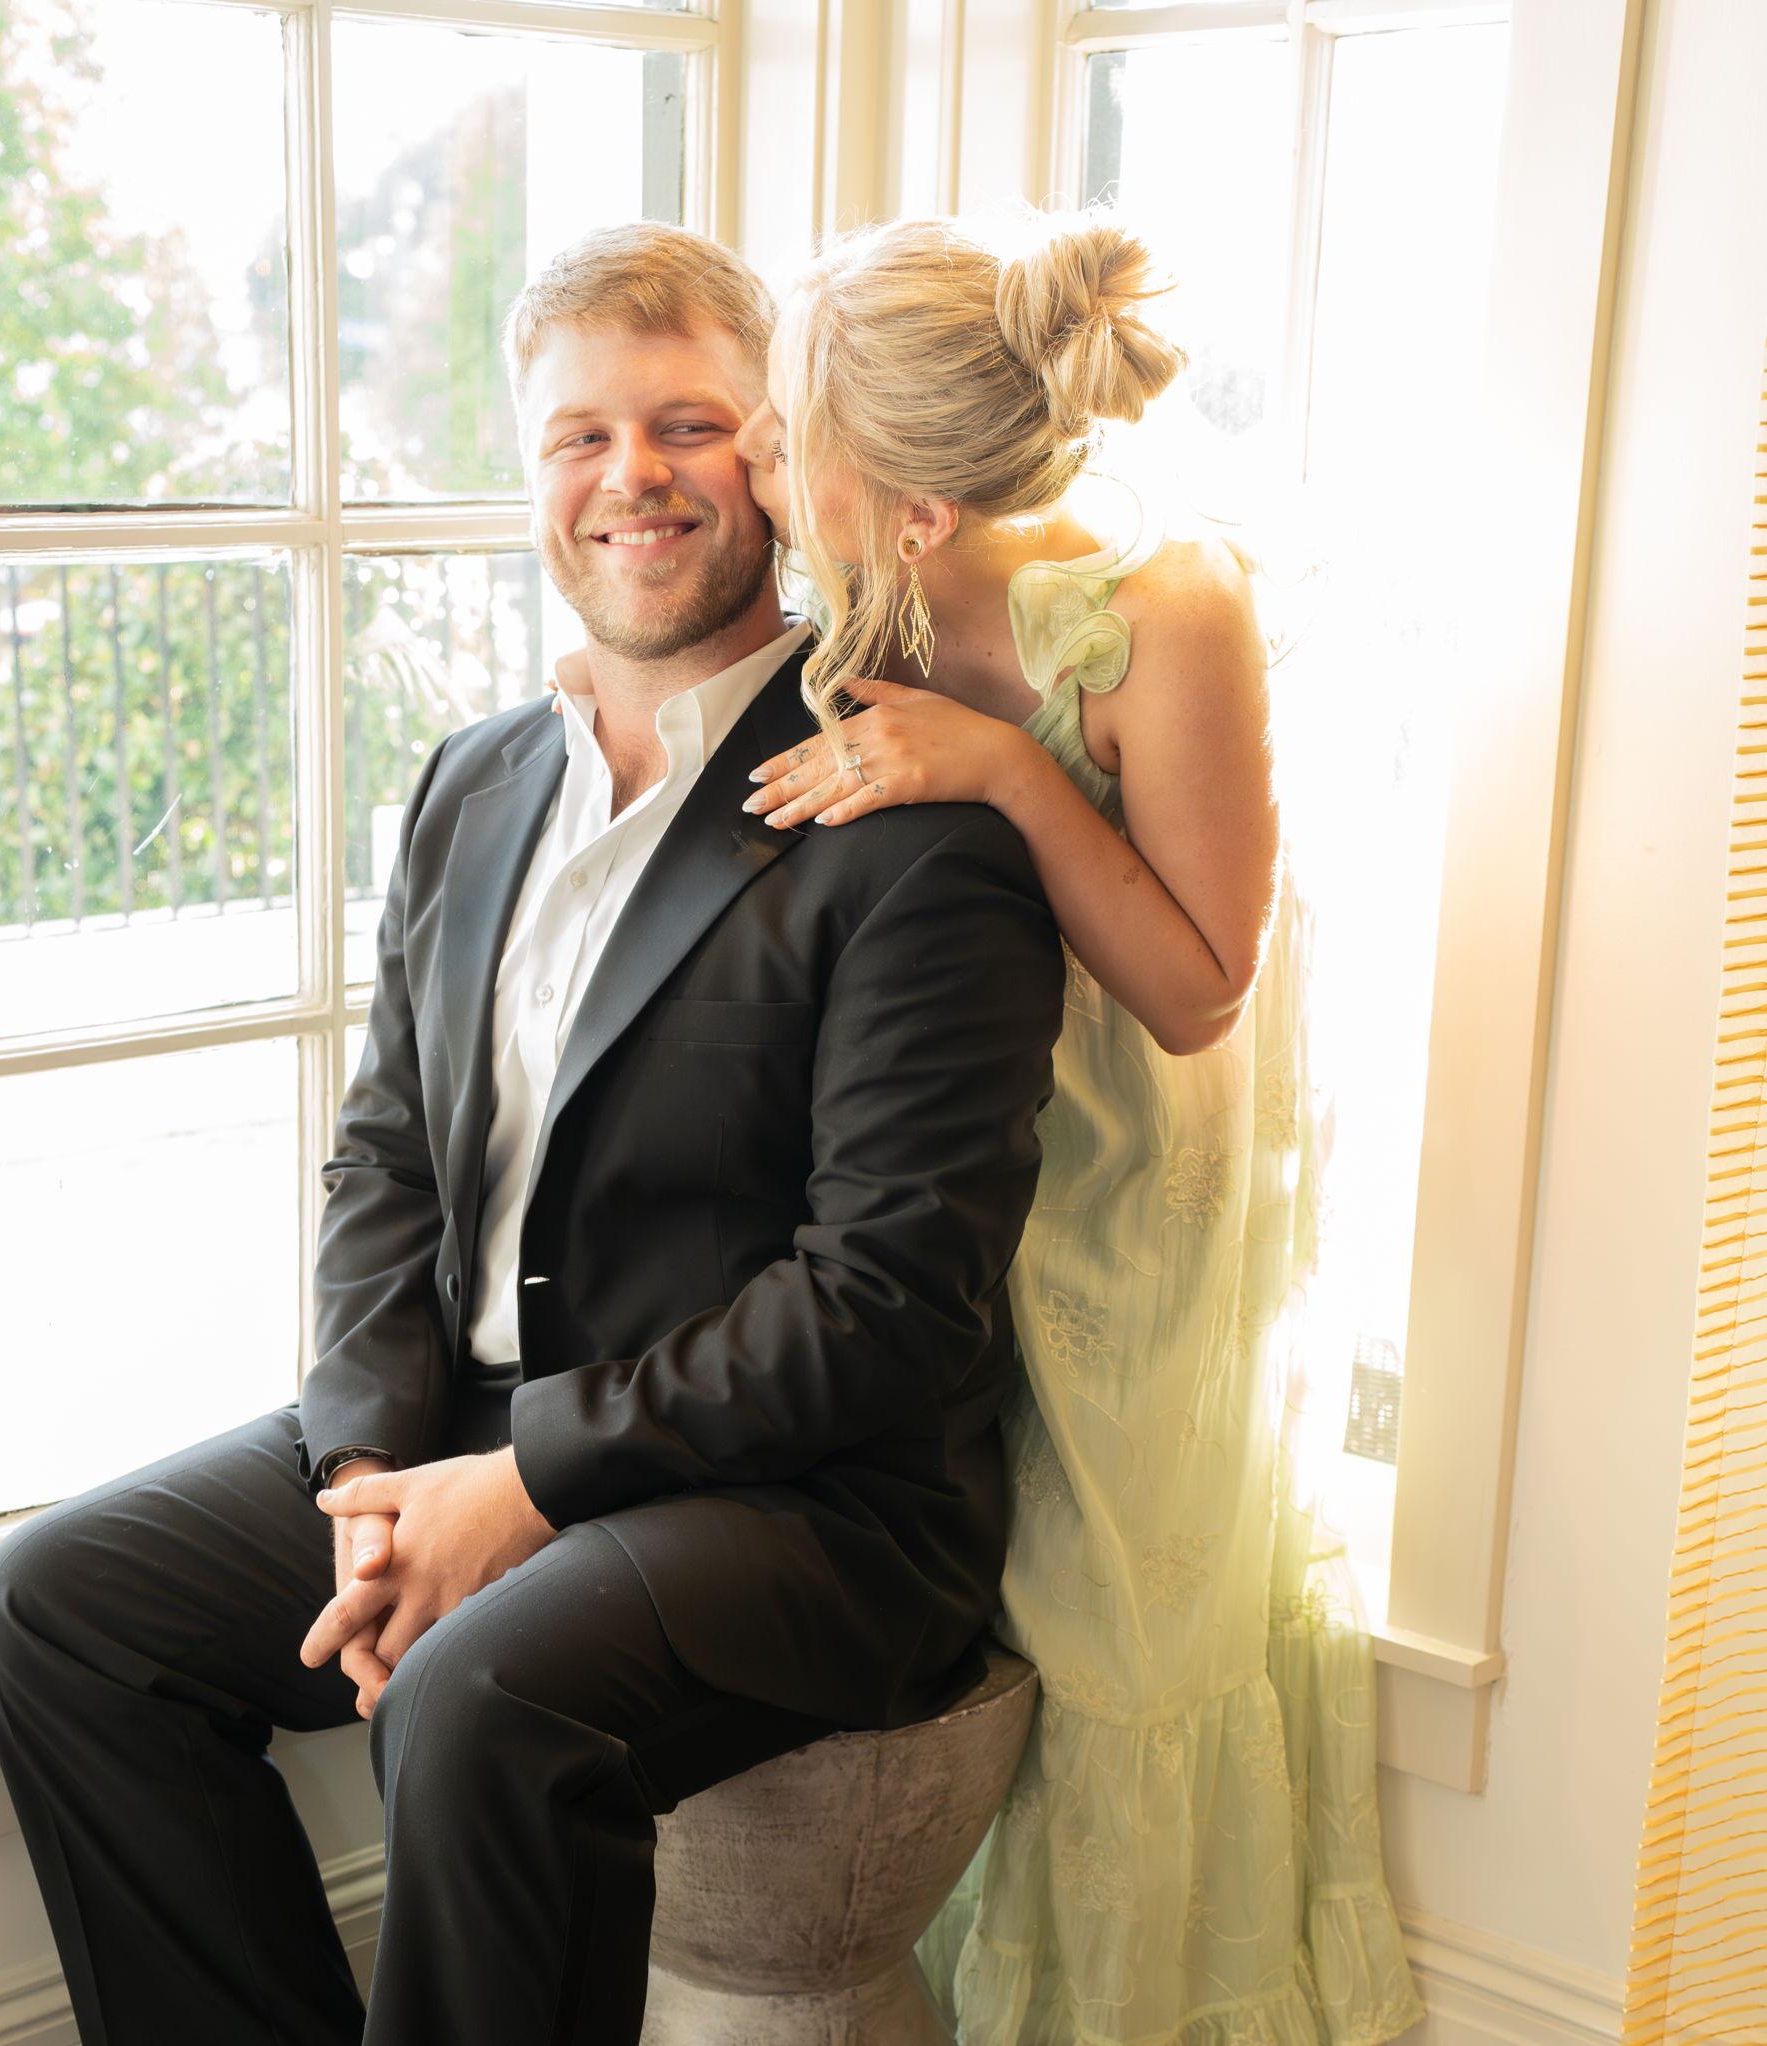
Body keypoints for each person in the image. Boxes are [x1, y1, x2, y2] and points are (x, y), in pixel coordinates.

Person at [0, 220, 1067, 2046]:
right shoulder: (469, 782)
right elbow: (385, 1160)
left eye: (688, 424)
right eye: (580, 436)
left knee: (480, 1694)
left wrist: (529, 1483)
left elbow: (884, 1302)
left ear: (778, 452)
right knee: (62, 1609)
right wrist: (367, 1474)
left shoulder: (906, 806)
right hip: (465, 1424)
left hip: (805, 1497)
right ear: (532, 474)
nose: (633, 476)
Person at [728, 209, 1423, 2044]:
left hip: (1136, 1175)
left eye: (788, 428)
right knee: (989, 1608)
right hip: (950, 1166)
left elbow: (1199, 987)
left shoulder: (1164, 610)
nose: (753, 454)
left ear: (915, 508)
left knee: (1114, 1614)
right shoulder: (853, 602)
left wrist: (1006, 769)